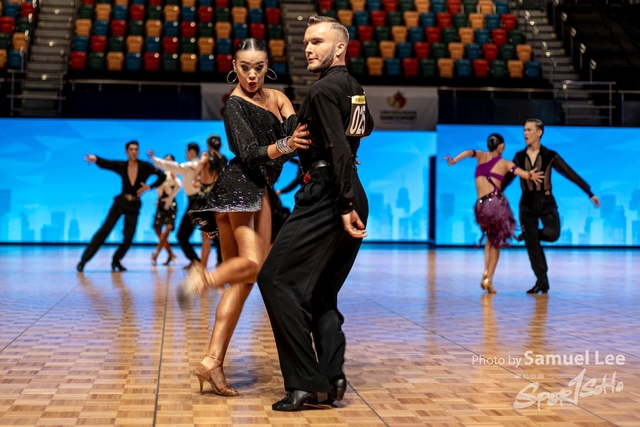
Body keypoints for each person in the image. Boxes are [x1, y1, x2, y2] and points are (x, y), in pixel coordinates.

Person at [175, 38, 310, 397]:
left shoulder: (277, 98)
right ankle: (203, 277)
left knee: (244, 282)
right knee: (254, 266)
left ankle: (212, 361)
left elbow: (300, 137)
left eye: (259, 67)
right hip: (243, 187)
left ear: (268, 67)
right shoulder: (234, 105)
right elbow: (250, 154)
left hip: (248, 190)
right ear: (233, 67)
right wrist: (287, 145)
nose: (252, 75)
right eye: (244, 67)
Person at [257, 15, 374, 411]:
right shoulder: (354, 88)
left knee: (274, 278)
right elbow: (366, 127)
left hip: (328, 193)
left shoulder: (323, 89)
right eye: (306, 42)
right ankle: (331, 377)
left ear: (339, 48)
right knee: (322, 291)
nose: (307, 48)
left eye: (317, 42)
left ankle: (306, 382)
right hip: (348, 188)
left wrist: (342, 204)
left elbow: (338, 146)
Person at [502, 119, 600, 294]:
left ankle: (529, 235)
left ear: (539, 133)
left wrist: (589, 192)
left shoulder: (550, 155)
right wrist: (494, 193)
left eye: (529, 130)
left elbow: (569, 173)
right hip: (527, 203)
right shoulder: (519, 157)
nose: (525, 133)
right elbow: (508, 178)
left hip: (546, 201)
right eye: (524, 130)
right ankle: (542, 281)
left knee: (553, 234)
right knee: (533, 246)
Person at [444, 134, 544, 294]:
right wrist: (532, 175)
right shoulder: (505, 164)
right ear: (501, 146)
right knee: (496, 243)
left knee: (490, 238)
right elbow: (523, 174)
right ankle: (488, 278)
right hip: (495, 205)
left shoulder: (480, 156)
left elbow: (468, 152)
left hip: (480, 206)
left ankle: (486, 272)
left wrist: (454, 161)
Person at [77, 141, 166, 272]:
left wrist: (149, 187)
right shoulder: (122, 166)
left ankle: (116, 260)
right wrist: (96, 159)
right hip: (120, 203)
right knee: (104, 231)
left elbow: (162, 176)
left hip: (134, 205)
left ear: (138, 151)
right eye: (131, 149)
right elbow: (108, 164)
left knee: (128, 238)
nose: (134, 151)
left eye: (136, 149)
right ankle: (83, 261)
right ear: (126, 152)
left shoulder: (145, 166)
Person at [149, 143, 202, 270]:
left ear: (192, 152)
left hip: (194, 202)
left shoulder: (189, 166)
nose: (186, 154)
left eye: (187, 152)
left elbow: (176, 178)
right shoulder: (200, 165)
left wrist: (154, 159)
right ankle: (196, 260)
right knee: (207, 234)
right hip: (194, 201)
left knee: (182, 234)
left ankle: (199, 261)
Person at [190, 135, 228, 268]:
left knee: (205, 237)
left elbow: (201, 164)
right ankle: (224, 266)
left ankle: (202, 269)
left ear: (208, 145)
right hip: (220, 198)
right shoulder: (223, 159)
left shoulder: (206, 155)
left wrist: (194, 179)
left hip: (206, 197)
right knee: (221, 234)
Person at [150, 154, 183, 266]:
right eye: (166, 161)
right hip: (161, 204)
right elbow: (158, 188)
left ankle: (156, 253)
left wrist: (173, 175)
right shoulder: (161, 174)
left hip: (171, 204)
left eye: (170, 161)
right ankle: (170, 254)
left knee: (169, 227)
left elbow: (178, 185)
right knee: (158, 229)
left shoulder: (174, 175)